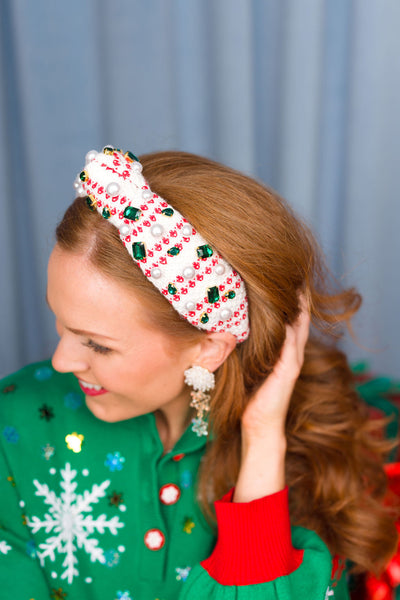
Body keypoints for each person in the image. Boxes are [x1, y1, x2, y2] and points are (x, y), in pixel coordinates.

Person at [0, 146, 397, 600]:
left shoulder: (304, 448)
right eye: (60, 322)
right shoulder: (14, 423)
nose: (60, 361)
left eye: (96, 344)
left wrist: (264, 437)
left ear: (209, 348)